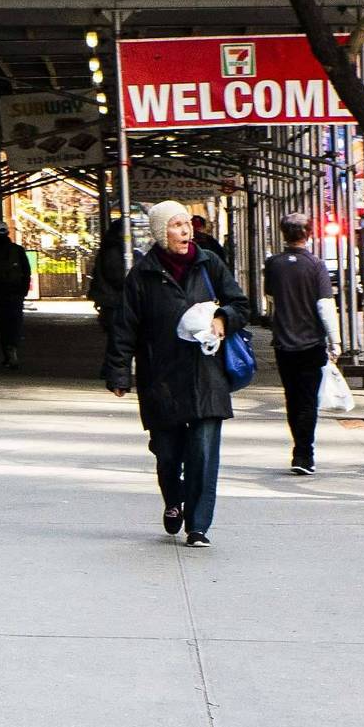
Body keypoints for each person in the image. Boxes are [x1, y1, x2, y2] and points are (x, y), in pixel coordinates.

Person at [104, 200, 251, 548]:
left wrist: (222, 319)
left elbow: (240, 304)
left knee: (202, 452)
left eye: (187, 224)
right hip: (162, 376)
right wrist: (119, 372)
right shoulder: (143, 274)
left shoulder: (209, 263)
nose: (185, 231)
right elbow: (125, 325)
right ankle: (174, 499)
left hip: (206, 375)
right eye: (176, 225)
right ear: (160, 232)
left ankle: (198, 525)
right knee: (167, 452)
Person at [261, 210, 340, 476]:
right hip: (311, 343)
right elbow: (325, 305)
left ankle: (299, 449)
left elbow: (270, 295)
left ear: (283, 234)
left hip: (284, 342)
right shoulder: (316, 265)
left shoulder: (273, 264)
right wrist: (335, 341)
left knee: (292, 399)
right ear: (309, 234)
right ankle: (304, 454)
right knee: (308, 401)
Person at [0, 222, 33, 368]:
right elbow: (27, 271)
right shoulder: (18, 250)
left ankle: (7, 352)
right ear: (8, 233)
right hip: (16, 292)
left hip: (0, 292)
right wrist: (24, 289)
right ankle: (13, 348)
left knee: (3, 322)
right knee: (15, 321)